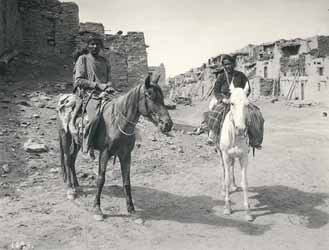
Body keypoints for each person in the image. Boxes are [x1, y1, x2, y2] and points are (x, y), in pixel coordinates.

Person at [71, 32, 115, 159]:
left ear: (101, 47)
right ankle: (86, 145)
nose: (95, 46)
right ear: (88, 46)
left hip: (105, 94)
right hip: (89, 94)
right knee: (94, 118)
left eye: (97, 44)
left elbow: (109, 79)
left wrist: (109, 86)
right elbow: (78, 81)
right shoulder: (83, 59)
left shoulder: (104, 61)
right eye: (92, 44)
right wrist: (97, 86)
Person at [206, 54, 250, 145]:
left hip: (238, 100)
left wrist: (241, 98)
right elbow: (216, 91)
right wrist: (222, 99)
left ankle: (254, 138)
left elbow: (248, 89)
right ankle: (213, 134)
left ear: (233, 64)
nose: (227, 66)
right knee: (216, 111)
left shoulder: (241, 75)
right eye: (225, 64)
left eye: (229, 64)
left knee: (254, 114)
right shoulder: (221, 76)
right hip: (224, 98)